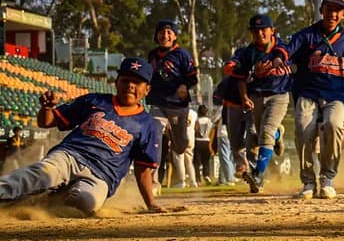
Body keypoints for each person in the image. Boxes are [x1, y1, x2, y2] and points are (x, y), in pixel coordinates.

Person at [0, 57, 163, 215]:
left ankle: (42, 200)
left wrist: (151, 203)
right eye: (125, 80)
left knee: (85, 202)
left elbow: (142, 170)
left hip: (102, 176)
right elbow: (47, 122)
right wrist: (47, 108)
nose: (130, 86)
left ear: (147, 89)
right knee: (42, 173)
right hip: (69, 156)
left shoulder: (148, 124)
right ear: (116, 82)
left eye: (137, 82)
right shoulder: (94, 100)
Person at [288, 0, 344, 199]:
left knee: (333, 124)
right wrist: (279, 60)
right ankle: (308, 181)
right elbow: (287, 51)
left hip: (337, 94)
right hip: (308, 92)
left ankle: (327, 177)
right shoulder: (306, 36)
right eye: (329, 9)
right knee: (302, 127)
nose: (332, 14)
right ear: (321, 9)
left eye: (338, 10)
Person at [228, 13, 291, 194]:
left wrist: (275, 62)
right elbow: (239, 78)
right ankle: (278, 135)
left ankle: (258, 175)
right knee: (256, 138)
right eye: (255, 31)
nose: (260, 33)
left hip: (278, 96)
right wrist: (244, 98)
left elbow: (282, 55)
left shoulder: (280, 46)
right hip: (256, 96)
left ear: (273, 31)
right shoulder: (248, 53)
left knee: (265, 134)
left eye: (264, 29)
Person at [147, 19, 199, 194]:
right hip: (157, 103)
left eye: (169, 32)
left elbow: (193, 77)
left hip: (177, 105)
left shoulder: (182, 54)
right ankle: (154, 183)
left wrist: (185, 86)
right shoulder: (152, 55)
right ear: (156, 35)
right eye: (162, 31)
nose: (165, 35)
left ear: (175, 36)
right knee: (154, 137)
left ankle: (173, 133)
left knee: (180, 146)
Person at [193, 104, 214, 184]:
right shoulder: (209, 121)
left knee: (197, 162)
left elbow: (195, 129)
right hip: (207, 141)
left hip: (198, 141)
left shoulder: (197, 120)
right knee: (206, 161)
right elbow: (212, 131)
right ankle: (206, 175)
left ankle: (198, 179)